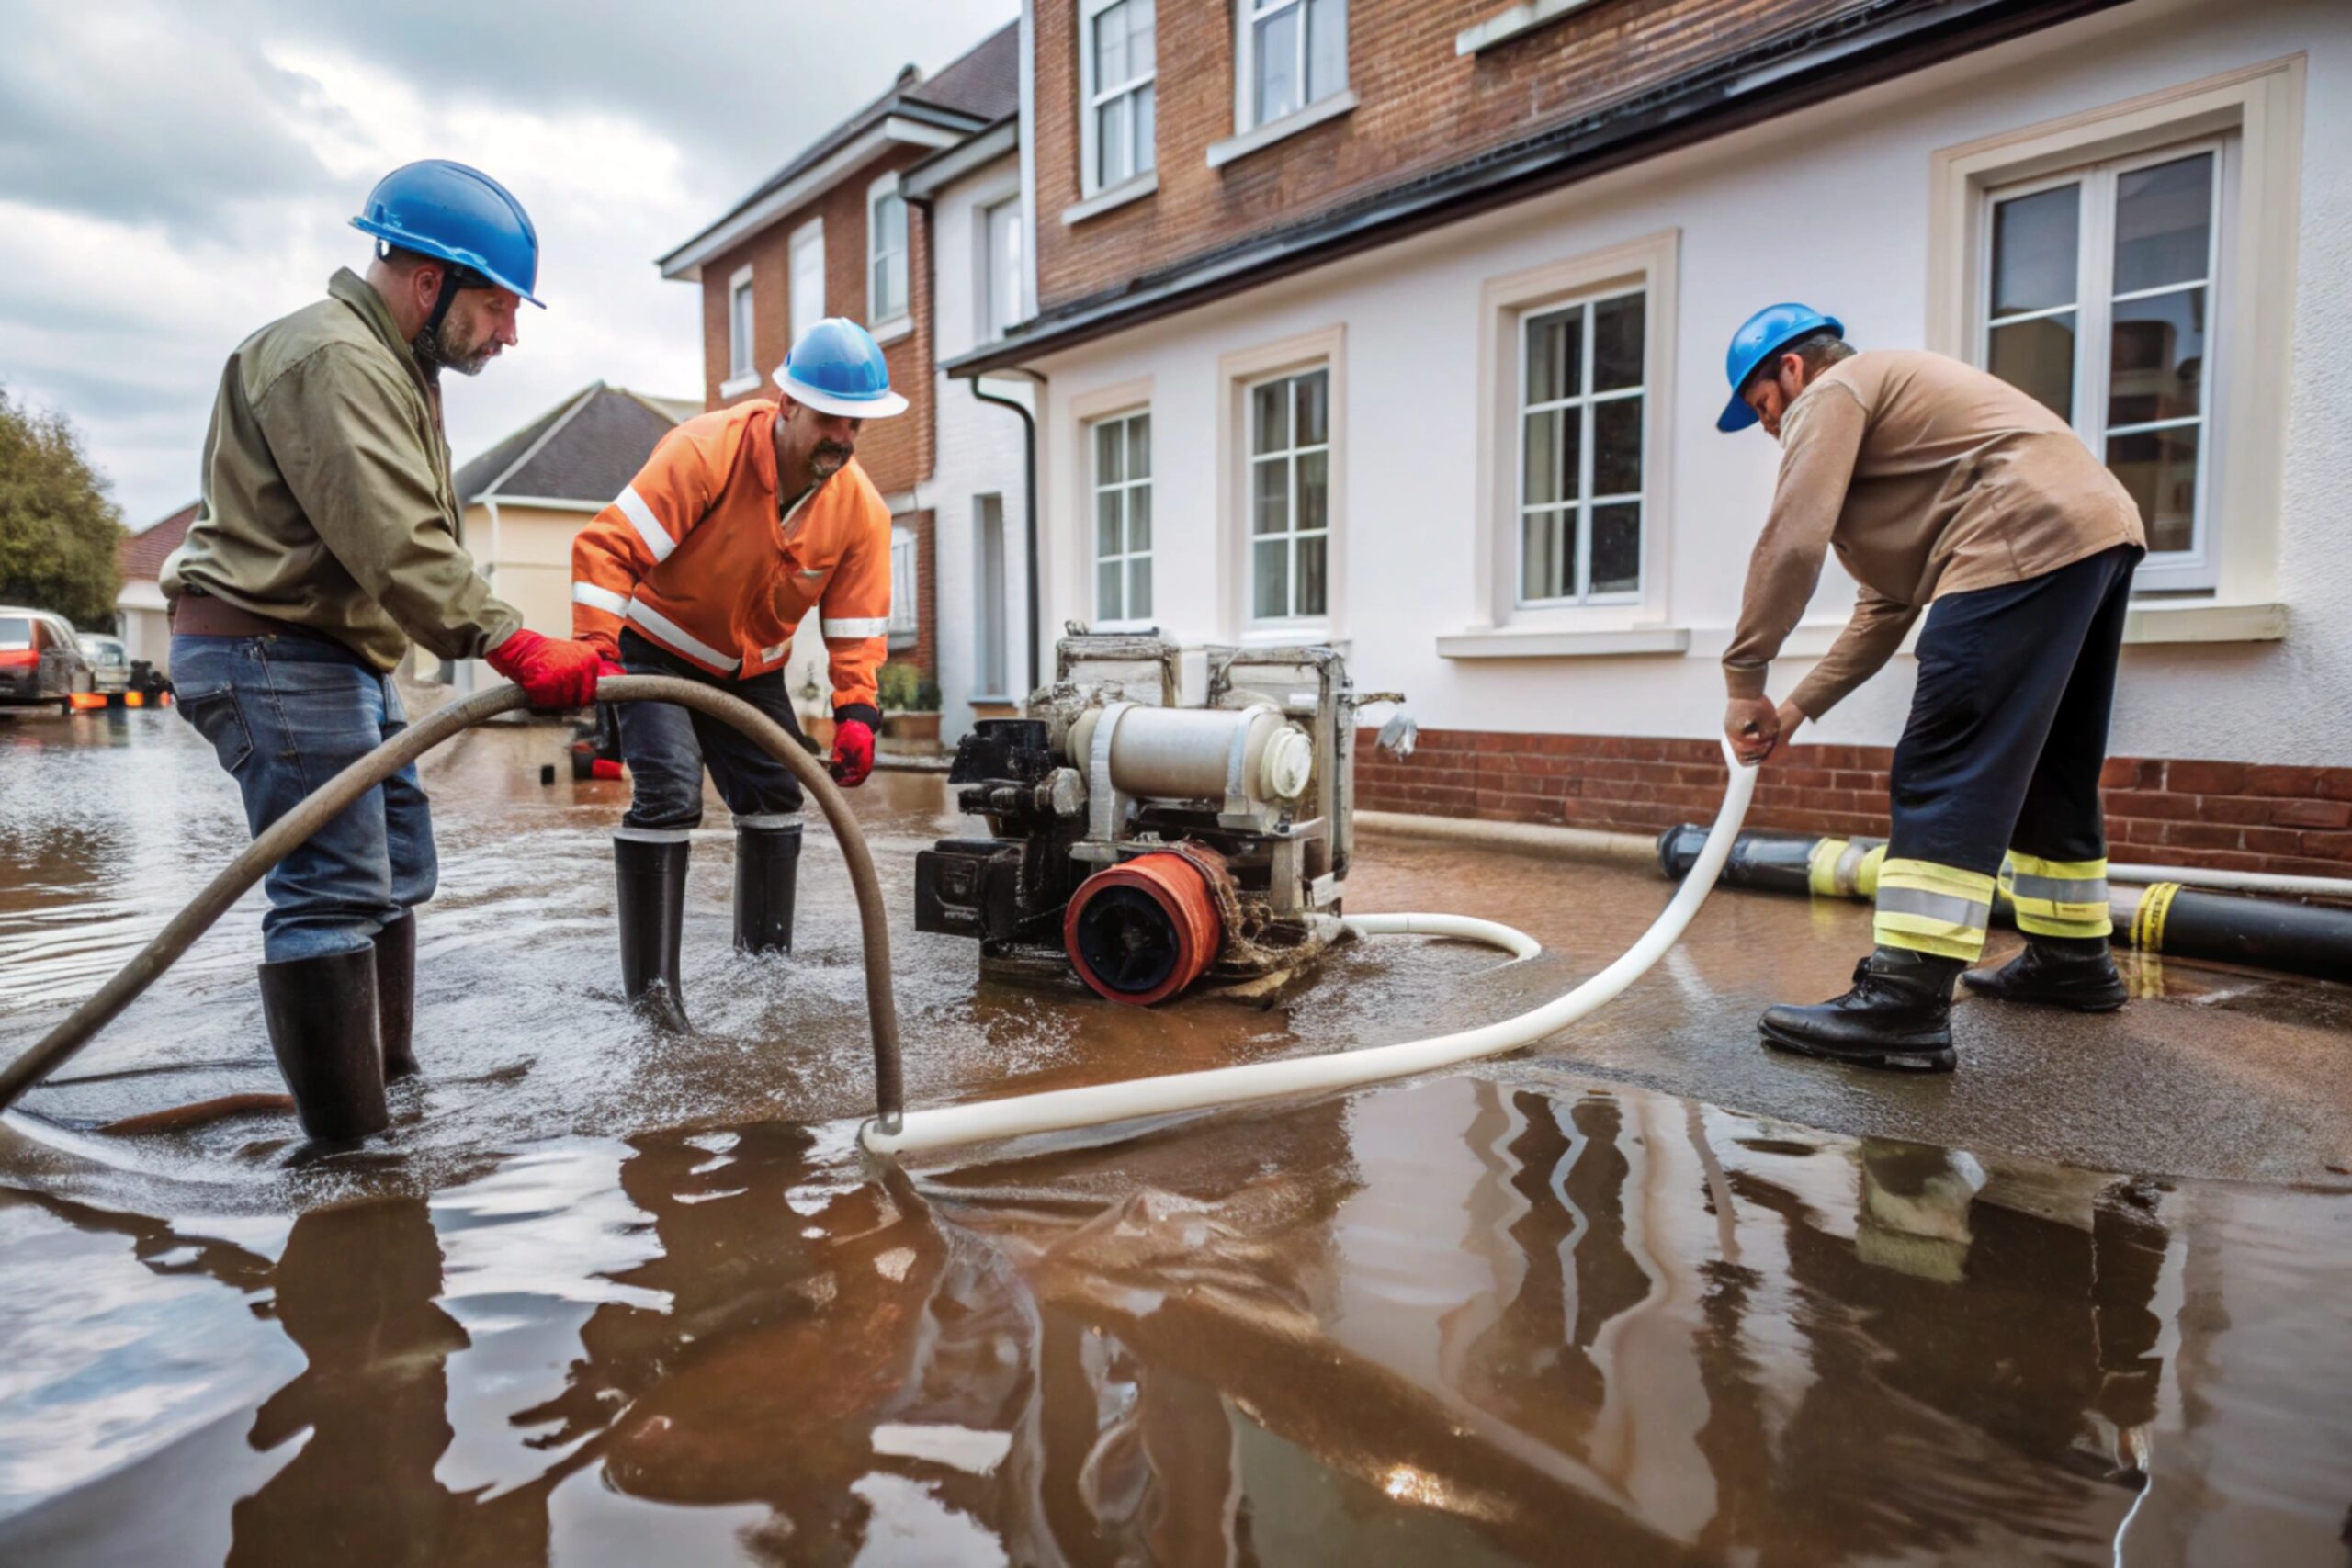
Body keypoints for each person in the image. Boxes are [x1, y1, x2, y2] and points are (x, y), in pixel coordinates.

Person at [164, 161, 605, 1142]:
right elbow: (394, 536)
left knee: (394, 867)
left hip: (330, 657)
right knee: (330, 889)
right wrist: (510, 639)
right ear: (429, 281)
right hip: (270, 652)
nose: (510, 332)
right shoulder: (334, 361)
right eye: (496, 306)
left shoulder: (391, 367)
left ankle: (388, 1090)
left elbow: (415, 543)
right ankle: (354, 1167)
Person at [1715, 304, 2146, 1073]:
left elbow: (1791, 541)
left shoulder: (1835, 390)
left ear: (1791, 368)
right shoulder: (1905, 439)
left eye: (1761, 405)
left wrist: (1744, 677)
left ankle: (1903, 1002)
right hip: (2091, 533)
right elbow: (1884, 611)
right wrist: (1792, 709)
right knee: (2051, 768)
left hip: (2016, 532)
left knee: (1945, 760)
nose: (1768, 426)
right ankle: (2071, 961)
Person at [571, 318, 902, 1028]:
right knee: (668, 791)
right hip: (652, 650)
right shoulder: (704, 453)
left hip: (749, 669)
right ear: (786, 405)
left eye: (856, 425)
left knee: (779, 793)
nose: (842, 439)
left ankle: (764, 980)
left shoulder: (860, 512)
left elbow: (855, 626)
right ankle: (655, 1004)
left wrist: (858, 711)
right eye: (829, 420)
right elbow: (607, 549)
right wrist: (598, 652)